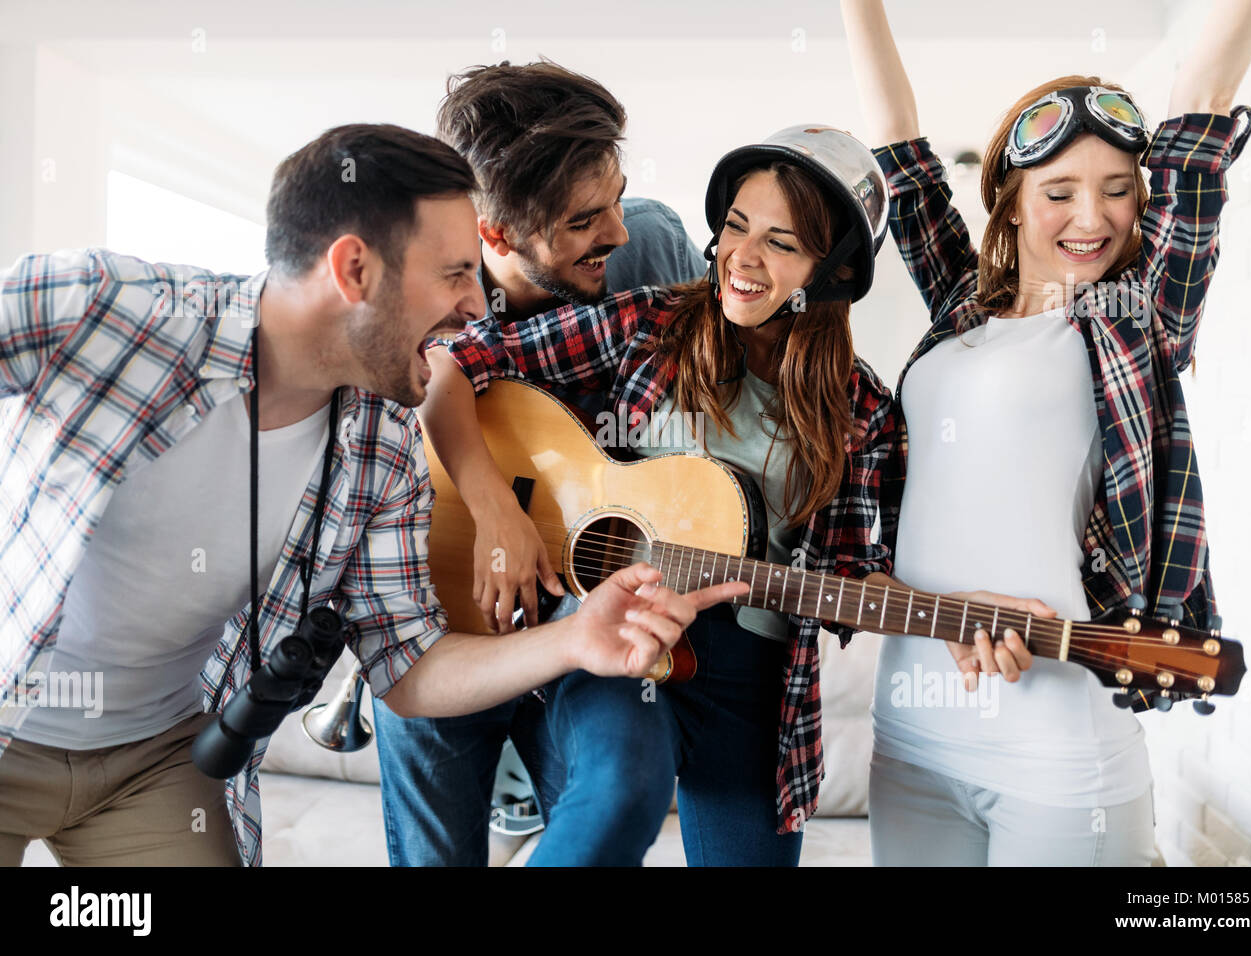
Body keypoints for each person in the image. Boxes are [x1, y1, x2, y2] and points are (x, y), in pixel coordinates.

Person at [0, 122, 740, 867]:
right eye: (454, 274)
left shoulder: (386, 445)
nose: (476, 309)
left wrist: (574, 639)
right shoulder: (108, 307)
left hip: (158, 767)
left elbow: (410, 667)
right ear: (355, 270)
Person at [841, 0, 1251, 865]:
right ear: (1009, 198)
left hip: (1062, 750)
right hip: (916, 733)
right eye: (1060, 192)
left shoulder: (1134, 316)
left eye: (1118, 191)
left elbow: (1203, 100)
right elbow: (898, 143)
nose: (1092, 217)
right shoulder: (961, 302)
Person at [424, 124, 903, 865]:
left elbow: (855, 574)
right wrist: (495, 508)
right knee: (619, 793)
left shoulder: (864, 408)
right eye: (736, 227)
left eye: (780, 242)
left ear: (832, 269)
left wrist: (951, 619)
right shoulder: (651, 323)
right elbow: (455, 363)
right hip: (621, 638)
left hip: (751, 690)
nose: (741, 255)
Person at [371, 60, 707, 867]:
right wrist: (493, 510)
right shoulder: (414, 288)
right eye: (586, 220)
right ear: (495, 236)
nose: (619, 231)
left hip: (592, 587)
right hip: (443, 601)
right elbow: (418, 400)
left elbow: (693, 430)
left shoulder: (653, 245)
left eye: (618, 196)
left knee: (628, 784)